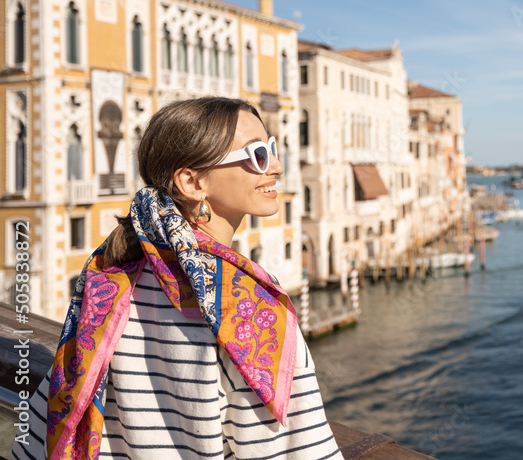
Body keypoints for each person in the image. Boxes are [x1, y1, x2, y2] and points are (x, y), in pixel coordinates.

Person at [12, 97, 341, 460]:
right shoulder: (247, 305)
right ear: (192, 181)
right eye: (258, 154)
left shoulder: (109, 275)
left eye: (272, 149)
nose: (277, 166)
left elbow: (41, 433)